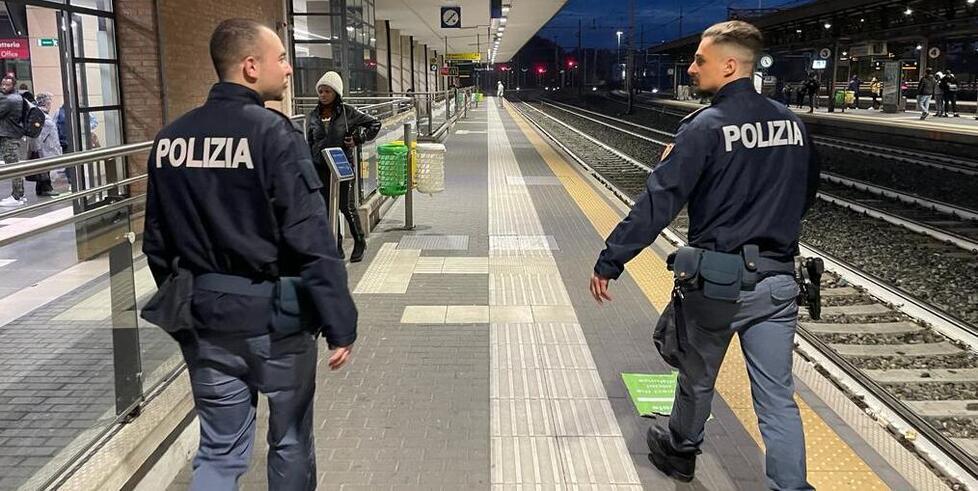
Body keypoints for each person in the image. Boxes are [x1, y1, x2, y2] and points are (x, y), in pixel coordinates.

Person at [589, 20, 818, 490]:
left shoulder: (705, 127)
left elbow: (659, 202)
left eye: (700, 60)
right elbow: (806, 191)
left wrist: (611, 260)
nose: (692, 68)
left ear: (730, 65)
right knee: (777, 398)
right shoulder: (793, 124)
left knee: (697, 377)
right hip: (778, 283)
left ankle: (681, 452)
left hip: (717, 283)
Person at [142, 19, 357, 490]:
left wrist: (190, 299)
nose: (288, 67)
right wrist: (340, 322)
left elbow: (156, 244)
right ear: (250, 66)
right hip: (276, 323)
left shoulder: (169, 140)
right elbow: (312, 240)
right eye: (280, 58)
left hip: (207, 321)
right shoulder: (274, 136)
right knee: (291, 440)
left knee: (219, 451)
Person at [305, 71, 380, 263]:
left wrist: (358, 138)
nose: (323, 95)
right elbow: (310, 142)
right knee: (327, 209)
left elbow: (374, 124)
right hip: (320, 168)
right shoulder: (313, 116)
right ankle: (335, 246)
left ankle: (360, 241)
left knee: (346, 207)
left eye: (327, 91)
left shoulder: (348, 112)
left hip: (342, 166)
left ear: (336, 92)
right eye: (320, 91)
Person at [0, 76, 27, 207]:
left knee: (13, 167)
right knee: (15, 166)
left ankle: (16, 196)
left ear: (13, 86)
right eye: (3, 84)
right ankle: (19, 195)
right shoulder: (16, 97)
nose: (4, 87)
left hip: (9, 137)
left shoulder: (8, 100)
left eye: (7, 85)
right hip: (13, 135)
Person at [26, 92, 60, 196]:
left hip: (45, 147)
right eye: (49, 103)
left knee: (43, 169)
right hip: (45, 148)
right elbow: (40, 135)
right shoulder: (42, 116)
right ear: (45, 103)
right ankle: (46, 188)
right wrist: (38, 149)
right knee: (45, 168)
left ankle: (40, 189)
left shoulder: (39, 115)